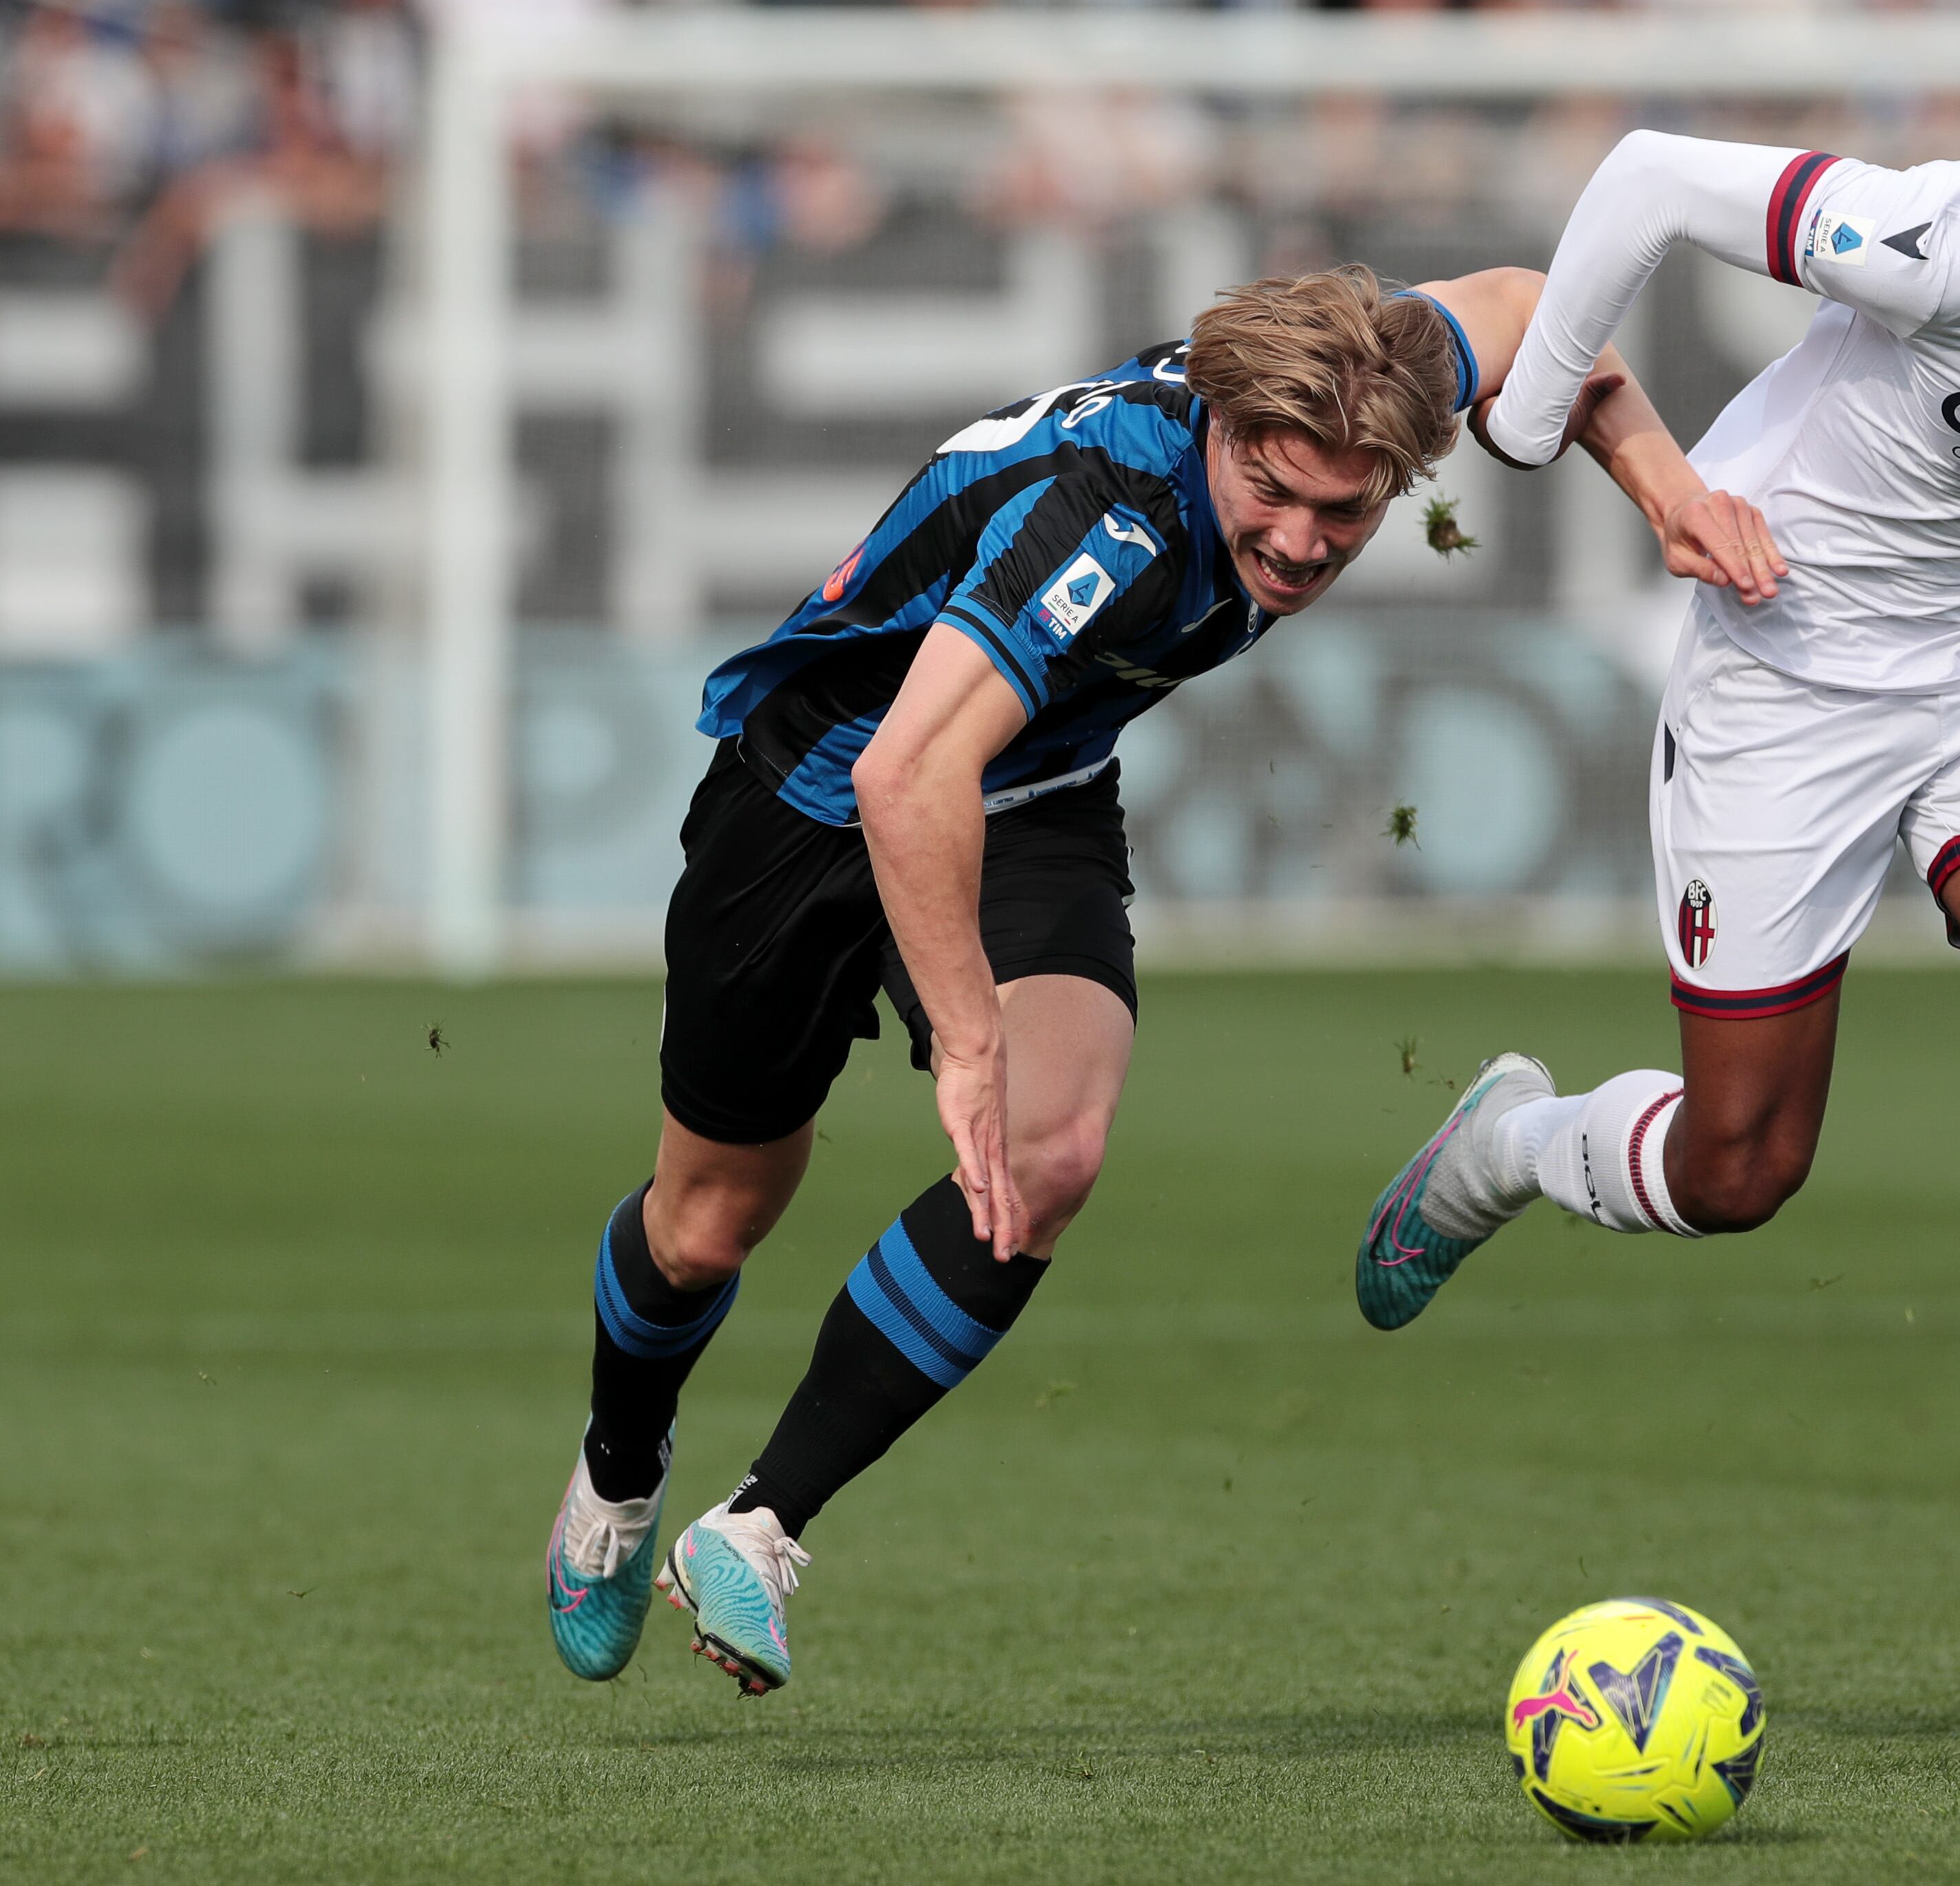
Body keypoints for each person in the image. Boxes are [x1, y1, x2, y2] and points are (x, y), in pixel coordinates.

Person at [543, 264, 1766, 1697]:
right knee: (709, 1223)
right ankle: (615, 1481)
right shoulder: (1109, 521)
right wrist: (965, 1040)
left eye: (1346, 514)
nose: (1304, 545)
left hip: (1038, 786)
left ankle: (756, 1527)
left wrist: (1665, 487)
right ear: (1222, 431)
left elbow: (1536, 307)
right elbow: (905, 775)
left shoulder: (1383, 367)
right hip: (814, 796)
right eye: (1275, 498)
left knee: (1051, 1151)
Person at [1354, 45, 1960, 1746]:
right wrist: (1526, 421)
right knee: (1741, 1168)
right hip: (1792, 652)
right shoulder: (1956, 235)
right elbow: (1653, 170)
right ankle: (1510, 1147)